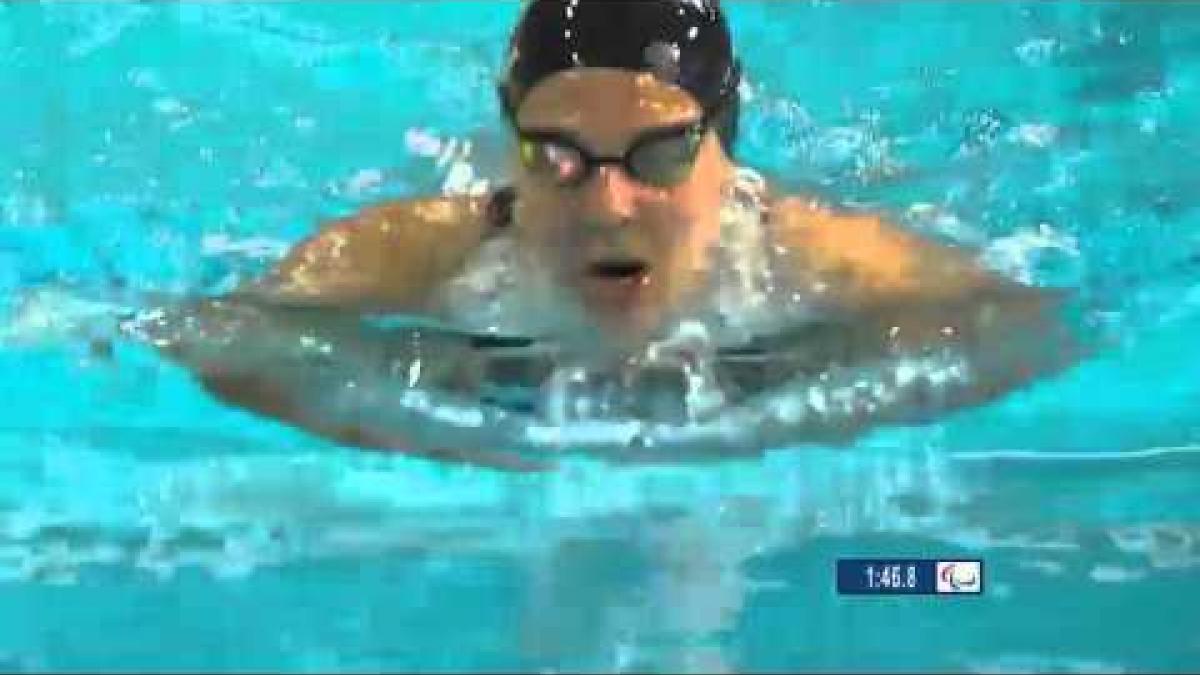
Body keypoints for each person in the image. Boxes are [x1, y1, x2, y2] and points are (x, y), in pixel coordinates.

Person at [159, 0, 1080, 469]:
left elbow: (1027, 331)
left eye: (662, 157)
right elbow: (215, 336)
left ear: (726, 148)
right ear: (510, 146)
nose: (607, 204)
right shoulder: (424, 251)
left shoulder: (823, 256)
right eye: (557, 155)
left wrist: (789, 420)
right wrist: (441, 434)